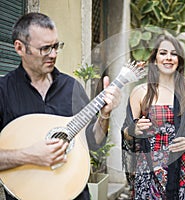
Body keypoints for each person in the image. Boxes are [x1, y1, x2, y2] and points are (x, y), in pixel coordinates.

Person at [0, 13, 121, 200]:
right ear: (20, 48)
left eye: (56, 46)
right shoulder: (3, 91)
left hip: (74, 194)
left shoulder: (71, 87)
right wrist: (29, 155)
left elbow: (93, 143)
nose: (53, 54)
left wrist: (104, 116)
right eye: (45, 49)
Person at [121, 35, 185, 200]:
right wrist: (134, 129)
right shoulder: (140, 93)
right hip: (149, 170)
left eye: (174, 53)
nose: (169, 58)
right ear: (155, 59)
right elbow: (126, 134)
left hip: (184, 168)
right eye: (163, 53)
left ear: (179, 60)